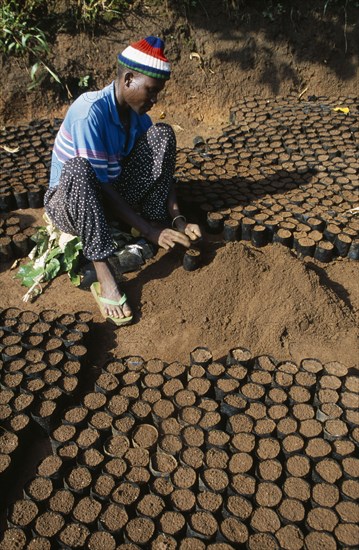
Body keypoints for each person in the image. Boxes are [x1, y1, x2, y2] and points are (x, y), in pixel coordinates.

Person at [44, 36, 201, 325]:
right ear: (128, 79)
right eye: (151, 92)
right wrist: (149, 231)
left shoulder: (137, 115)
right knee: (79, 169)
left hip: (111, 195)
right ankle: (104, 274)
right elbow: (97, 186)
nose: (154, 101)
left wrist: (177, 217)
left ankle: (150, 227)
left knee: (162, 135)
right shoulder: (89, 112)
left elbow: (162, 172)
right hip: (70, 203)